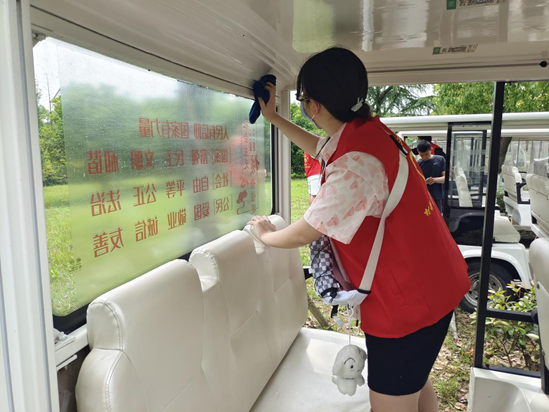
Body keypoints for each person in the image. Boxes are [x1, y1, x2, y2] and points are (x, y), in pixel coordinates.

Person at [248, 47, 470, 412]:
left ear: (314, 106)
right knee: (414, 383)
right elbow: (322, 149)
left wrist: (265, 234)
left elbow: (306, 231)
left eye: (302, 101)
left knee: (393, 401)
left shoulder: (356, 165)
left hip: (408, 307)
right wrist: (274, 118)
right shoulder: (370, 132)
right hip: (434, 284)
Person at [417, 140, 446, 214]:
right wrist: (424, 182)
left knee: (437, 217)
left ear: (431, 150)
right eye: (421, 155)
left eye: (426, 154)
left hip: (437, 196)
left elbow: (445, 178)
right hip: (423, 197)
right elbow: (416, 182)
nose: (424, 157)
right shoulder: (418, 164)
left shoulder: (440, 159)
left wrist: (434, 180)